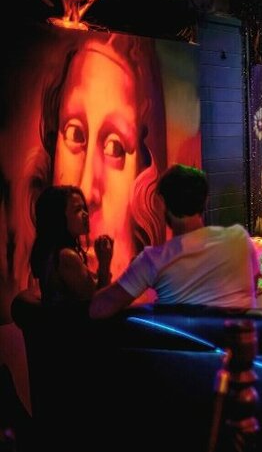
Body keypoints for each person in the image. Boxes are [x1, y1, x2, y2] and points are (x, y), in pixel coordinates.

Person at [31, 33, 168, 286]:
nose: (87, 191)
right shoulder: (67, 259)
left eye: (115, 147)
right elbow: (95, 306)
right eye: (74, 133)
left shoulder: (52, 254)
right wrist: (105, 264)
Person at [90, 165, 259, 319]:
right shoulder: (239, 238)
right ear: (204, 201)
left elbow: (98, 309)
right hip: (241, 346)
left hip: (184, 349)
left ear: (162, 204)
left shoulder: (151, 260)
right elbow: (253, 287)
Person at [29, 185, 113, 313]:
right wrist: (105, 262)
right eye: (77, 210)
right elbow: (100, 306)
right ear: (58, 217)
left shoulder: (57, 251)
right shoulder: (66, 256)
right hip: (72, 332)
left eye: (84, 208)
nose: (85, 214)